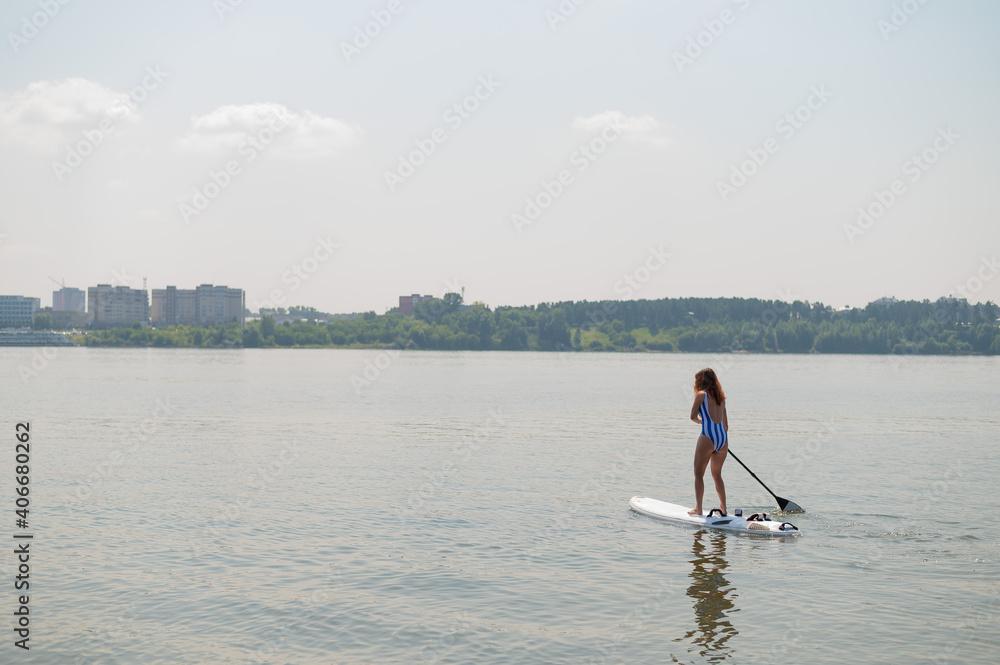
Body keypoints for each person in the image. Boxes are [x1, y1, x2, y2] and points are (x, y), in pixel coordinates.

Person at [688, 368, 728, 516]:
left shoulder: (701, 395)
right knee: (717, 475)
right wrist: (719, 440)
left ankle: (698, 509)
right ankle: (723, 508)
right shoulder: (721, 398)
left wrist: (702, 422)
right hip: (722, 439)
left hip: (708, 436)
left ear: (701, 381)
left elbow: (693, 417)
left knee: (698, 474)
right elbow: (726, 426)